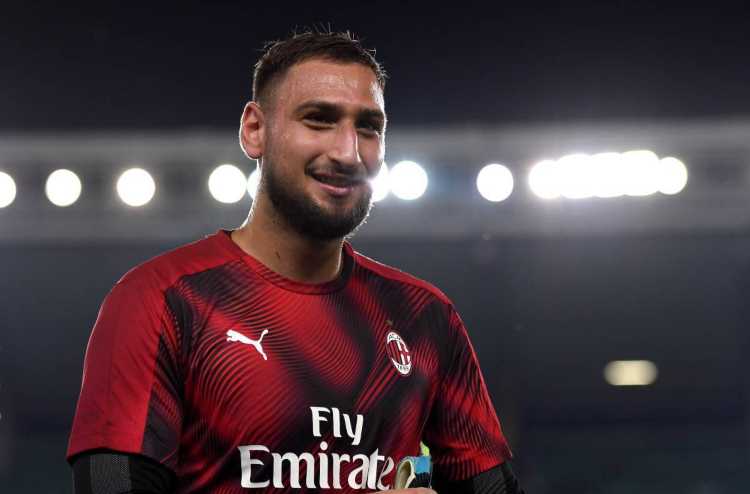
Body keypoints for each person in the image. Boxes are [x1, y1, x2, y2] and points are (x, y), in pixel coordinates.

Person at [66, 29, 524, 494]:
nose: (348, 152)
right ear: (254, 130)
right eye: (319, 120)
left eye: (369, 127)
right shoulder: (159, 300)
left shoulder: (426, 316)